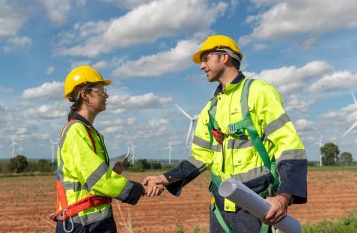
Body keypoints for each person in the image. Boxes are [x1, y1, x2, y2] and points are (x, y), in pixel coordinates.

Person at [142, 35, 307, 232]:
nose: (201, 66)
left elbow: (288, 145)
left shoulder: (258, 92)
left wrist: (284, 196)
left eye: (206, 59)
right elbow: (202, 156)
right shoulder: (210, 108)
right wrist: (163, 178)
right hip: (220, 208)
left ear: (224, 57)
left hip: (255, 203)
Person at [51, 65, 145, 233]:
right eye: (101, 90)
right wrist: (135, 189)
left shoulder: (89, 131)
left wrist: (111, 172)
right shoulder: (76, 131)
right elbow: (96, 178)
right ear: (85, 94)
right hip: (83, 224)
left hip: (92, 221)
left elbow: (88, 175)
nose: (106, 95)